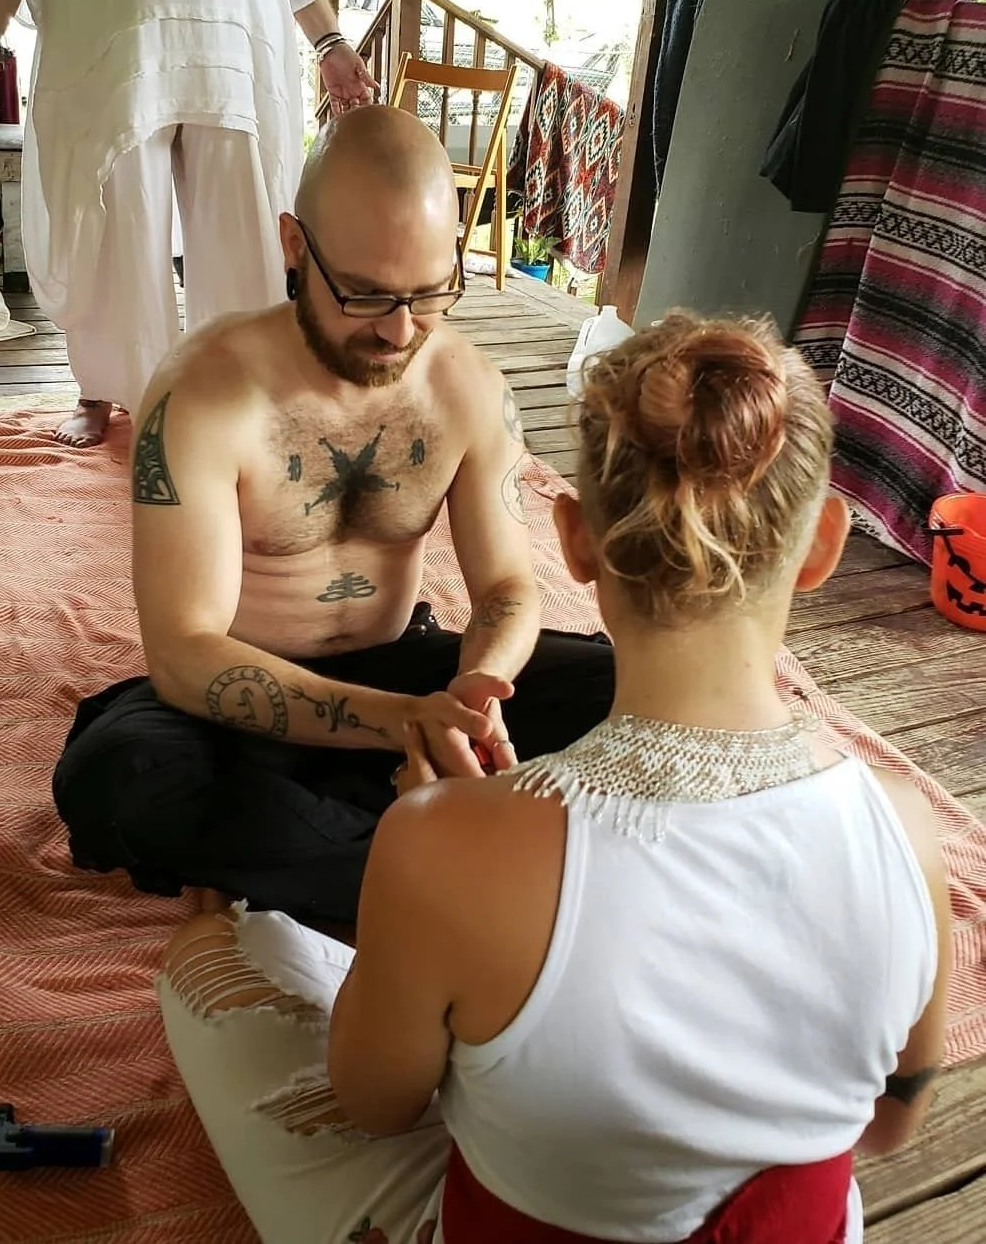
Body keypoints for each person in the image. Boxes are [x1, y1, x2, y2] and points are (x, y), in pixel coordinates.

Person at [156, 312, 951, 1244]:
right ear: (821, 546)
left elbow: (375, 1107)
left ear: (572, 540)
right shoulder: (905, 825)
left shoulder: (440, 839)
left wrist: (424, 872)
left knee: (215, 955)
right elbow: (889, 1125)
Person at [52, 104, 617, 924]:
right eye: (364, 295)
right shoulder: (204, 392)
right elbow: (182, 653)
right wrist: (401, 727)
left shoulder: (468, 387)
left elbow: (505, 589)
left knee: (629, 687)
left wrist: (474, 691)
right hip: (238, 704)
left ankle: (351, 852)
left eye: (429, 293)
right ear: (293, 246)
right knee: (120, 775)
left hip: (405, 669)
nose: (398, 330)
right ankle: (458, 870)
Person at [0, 0, 376, 448]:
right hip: (107, 14)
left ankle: (241, 385)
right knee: (117, 213)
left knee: (243, 221)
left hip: (230, 14)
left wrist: (329, 40)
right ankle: (108, 386)